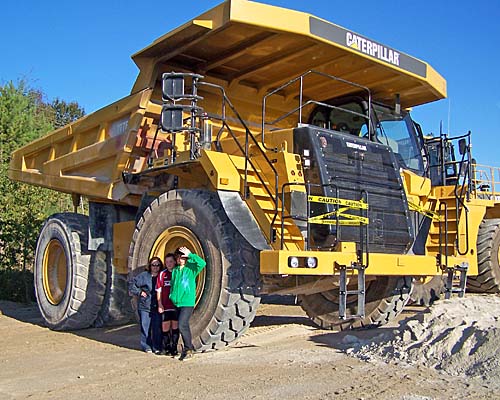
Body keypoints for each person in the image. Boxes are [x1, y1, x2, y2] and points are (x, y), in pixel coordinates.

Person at [170, 246, 206, 361]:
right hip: (177, 303)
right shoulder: (175, 271)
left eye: (182, 257)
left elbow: (202, 263)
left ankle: (189, 349)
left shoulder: (191, 269)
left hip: (187, 302)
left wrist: (190, 255)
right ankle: (184, 349)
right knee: (179, 326)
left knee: (182, 324)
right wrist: (172, 297)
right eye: (178, 257)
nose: (180, 259)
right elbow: (173, 285)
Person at [129, 257, 163, 354]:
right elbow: (132, 284)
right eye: (153, 265)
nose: (155, 267)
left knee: (157, 328)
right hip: (145, 306)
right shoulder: (144, 276)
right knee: (145, 327)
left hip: (157, 306)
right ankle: (147, 346)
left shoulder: (162, 276)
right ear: (150, 266)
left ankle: (157, 347)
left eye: (157, 265)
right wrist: (139, 292)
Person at [156, 253, 179, 356]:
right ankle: (166, 347)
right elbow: (158, 290)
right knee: (165, 327)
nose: (169, 264)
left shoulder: (178, 272)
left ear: (174, 262)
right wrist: (160, 304)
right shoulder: (162, 274)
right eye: (167, 262)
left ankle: (174, 348)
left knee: (175, 327)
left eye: (171, 261)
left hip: (176, 305)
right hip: (165, 305)